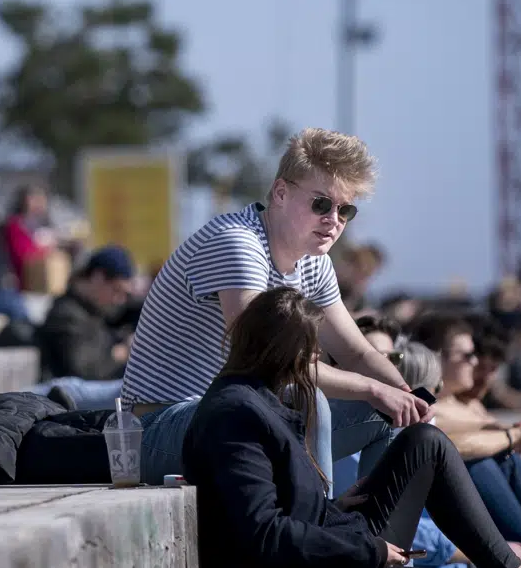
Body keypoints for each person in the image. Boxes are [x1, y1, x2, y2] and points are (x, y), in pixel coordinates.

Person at [183, 287, 521, 568]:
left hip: (328, 558)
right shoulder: (236, 417)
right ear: (285, 354)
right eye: (312, 353)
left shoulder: (255, 402)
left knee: (424, 442)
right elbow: (265, 537)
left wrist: (334, 511)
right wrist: (367, 548)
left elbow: (281, 514)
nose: (315, 362)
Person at [122, 128, 421, 486]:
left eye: (346, 210)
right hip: (159, 426)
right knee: (312, 406)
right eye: (322, 204)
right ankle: (322, 528)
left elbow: (356, 353)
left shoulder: (314, 261)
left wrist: (406, 396)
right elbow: (269, 362)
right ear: (280, 192)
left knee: (390, 414)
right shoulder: (237, 243)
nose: (334, 220)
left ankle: (374, 535)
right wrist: (373, 389)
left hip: (231, 417)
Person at [412, 313, 521, 567]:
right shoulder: (425, 406)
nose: (475, 364)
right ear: (436, 357)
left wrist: (511, 431)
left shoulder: (464, 403)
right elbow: (447, 434)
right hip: (460, 517)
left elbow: (471, 425)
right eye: (468, 356)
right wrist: (511, 434)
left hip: (490, 506)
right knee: (484, 461)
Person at [33, 245, 134, 406]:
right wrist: (121, 354)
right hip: (61, 400)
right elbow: (82, 371)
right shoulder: (66, 314)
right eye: (116, 290)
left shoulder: (90, 310)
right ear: (98, 277)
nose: (119, 299)